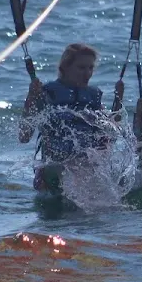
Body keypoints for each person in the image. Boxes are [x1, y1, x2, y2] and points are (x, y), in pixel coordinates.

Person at [19, 42, 124, 194]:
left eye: (90, 68)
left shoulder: (93, 97)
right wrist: (31, 99)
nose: (87, 73)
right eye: (81, 68)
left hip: (86, 166)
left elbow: (112, 133)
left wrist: (119, 99)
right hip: (54, 169)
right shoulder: (47, 94)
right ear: (65, 68)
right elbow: (24, 136)